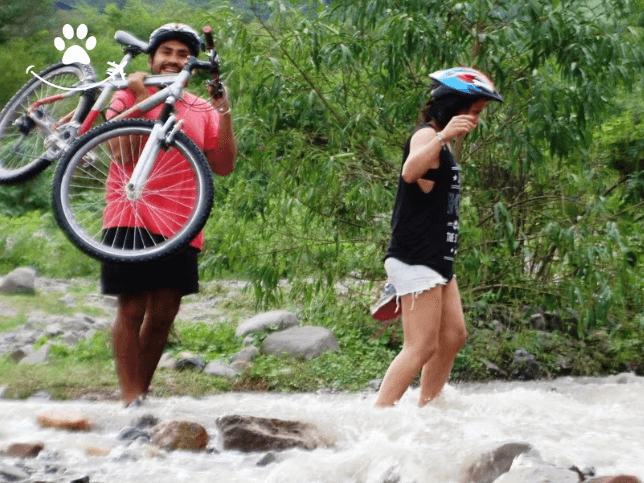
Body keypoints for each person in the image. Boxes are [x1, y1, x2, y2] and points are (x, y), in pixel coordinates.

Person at [103, 23, 236, 406]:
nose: (174, 60)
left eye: (182, 55)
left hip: (182, 223)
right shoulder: (128, 94)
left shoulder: (201, 108)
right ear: (152, 58)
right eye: (167, 53)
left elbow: (224, 165)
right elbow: (122, 155)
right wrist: (142, 96)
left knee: (163, 315)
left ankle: (139, 394)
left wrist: (224, 109)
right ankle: (131, 398)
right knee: (131, 307)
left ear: (191, 66)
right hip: (131, 214)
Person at [373, 67, 502, 407]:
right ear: (454, 107)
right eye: (474, 112)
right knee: (421, 346)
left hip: (438, 257)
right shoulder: (426, 136)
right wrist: (443, 136)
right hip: (415, 255)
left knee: (453, 336)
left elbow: (425, 186)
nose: (476, 120)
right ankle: (379, 415)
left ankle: (428, 408)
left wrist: (443, 142)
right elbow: (409, 172)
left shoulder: (440, 148)